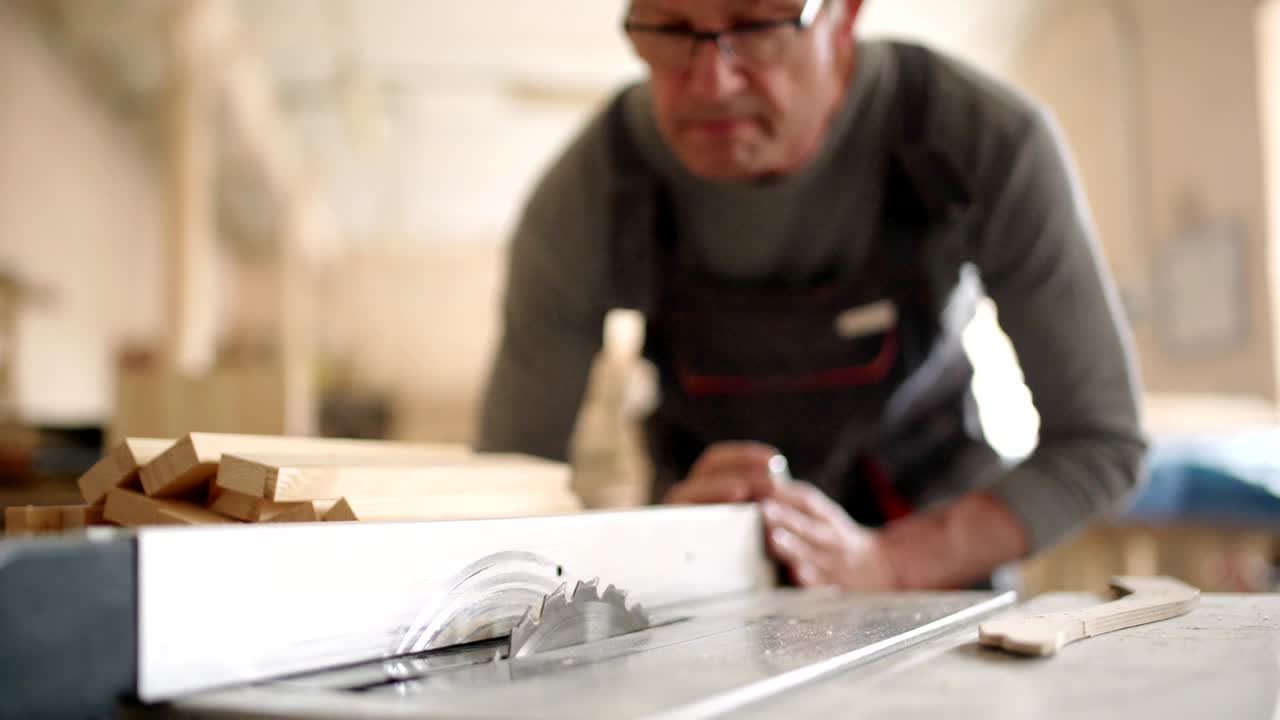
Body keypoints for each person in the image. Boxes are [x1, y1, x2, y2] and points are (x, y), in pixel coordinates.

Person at [477, 0, 1146, 591]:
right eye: (671, 28)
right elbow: (503, 497)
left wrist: (888, 565)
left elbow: (1099, 444)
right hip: (700, 585)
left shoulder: (980, 140)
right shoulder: (588, 194)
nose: (711, 83)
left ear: (844, 14)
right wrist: (661, 543)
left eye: (757, 25)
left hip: (933, 576)